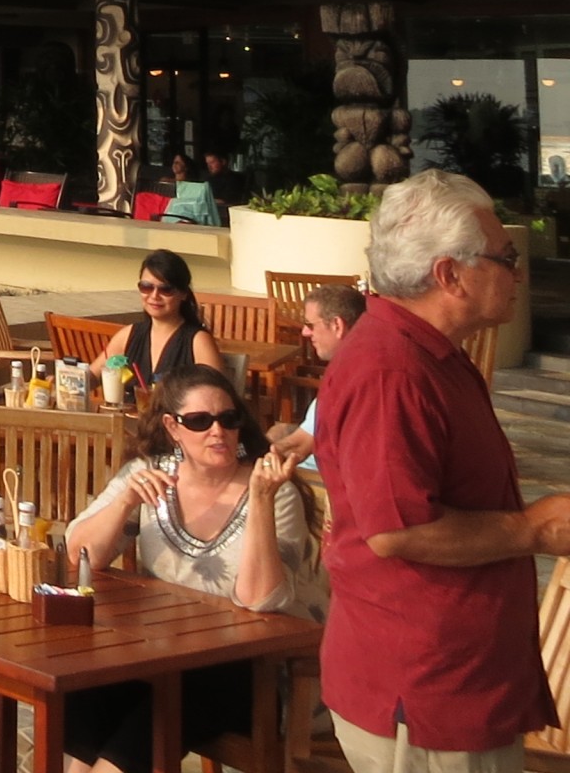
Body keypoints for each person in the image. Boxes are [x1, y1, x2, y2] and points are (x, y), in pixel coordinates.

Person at [318, 170, 570, 773]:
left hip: (449, 687)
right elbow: (398, 529)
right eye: (506, 258)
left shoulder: (425, 354)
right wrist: (534, 529)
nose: (519, 273)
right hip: (426, 697)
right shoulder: (392, 371)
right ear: (449, 275)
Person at [60, 365, 314, 773]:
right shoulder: (151, 474)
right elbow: (81, 555)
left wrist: (260, 499)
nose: (218, 431)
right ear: (172, 427)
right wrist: (124, 503)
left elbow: (260, 600)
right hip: (158, 654)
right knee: (87, 693)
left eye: (228, 419)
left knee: (142, 728)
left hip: (244, 668)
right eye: (200, 421)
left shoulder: (273, 492)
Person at [91, 247, 225, 387]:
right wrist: (77, 377)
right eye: (146, 287)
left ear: (184, 294)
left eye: (166, 289)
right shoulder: (128, 335)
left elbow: (216, 392)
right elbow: (93, 375)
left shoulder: (198, 341)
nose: (154, 296)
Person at [267, 283, 366, 471]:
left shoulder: (350, 378)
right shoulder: (353, 365)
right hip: (317, 459)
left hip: (316, 477)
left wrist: (255, 457)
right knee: (277, 431)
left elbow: (301, 445)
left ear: (337, 325)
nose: (304, 332)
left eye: (310, 325)